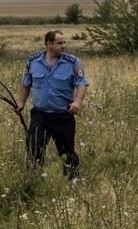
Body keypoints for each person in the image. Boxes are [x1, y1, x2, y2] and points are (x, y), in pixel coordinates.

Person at [15, 30, 88, 181]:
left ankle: (73, 181)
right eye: (59, 43)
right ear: (49, 44)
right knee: (34, 147)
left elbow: (81, 84)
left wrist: (77, 102)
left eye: (64, 43)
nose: (63, 46)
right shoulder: (33, 61)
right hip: (40, 114)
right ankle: (34, 179)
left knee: (66, 151)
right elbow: (26, 83)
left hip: (62, 114)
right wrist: (21, 102)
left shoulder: (72, 62)